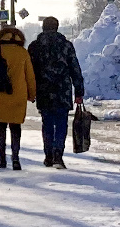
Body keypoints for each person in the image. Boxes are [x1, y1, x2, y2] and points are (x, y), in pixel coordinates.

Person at [28, 16, 85, 169]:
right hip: (63, 90)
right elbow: (75, 68)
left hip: (43, 90)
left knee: (47, 123)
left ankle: (48, 155)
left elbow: (30, 71)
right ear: (57, 27)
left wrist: (30, 90)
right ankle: (58, 154)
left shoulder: (35, 46)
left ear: (43, 28)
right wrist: (79, 90)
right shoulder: (66, 46)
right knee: (61, 123)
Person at [0, 24, 37, 170]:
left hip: (0, 94)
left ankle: (2, 158)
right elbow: (30, 77)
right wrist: (32, 94)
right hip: (18, 95)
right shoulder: (23, 53)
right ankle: (15, 158)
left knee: (0, 126)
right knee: (15, 127)